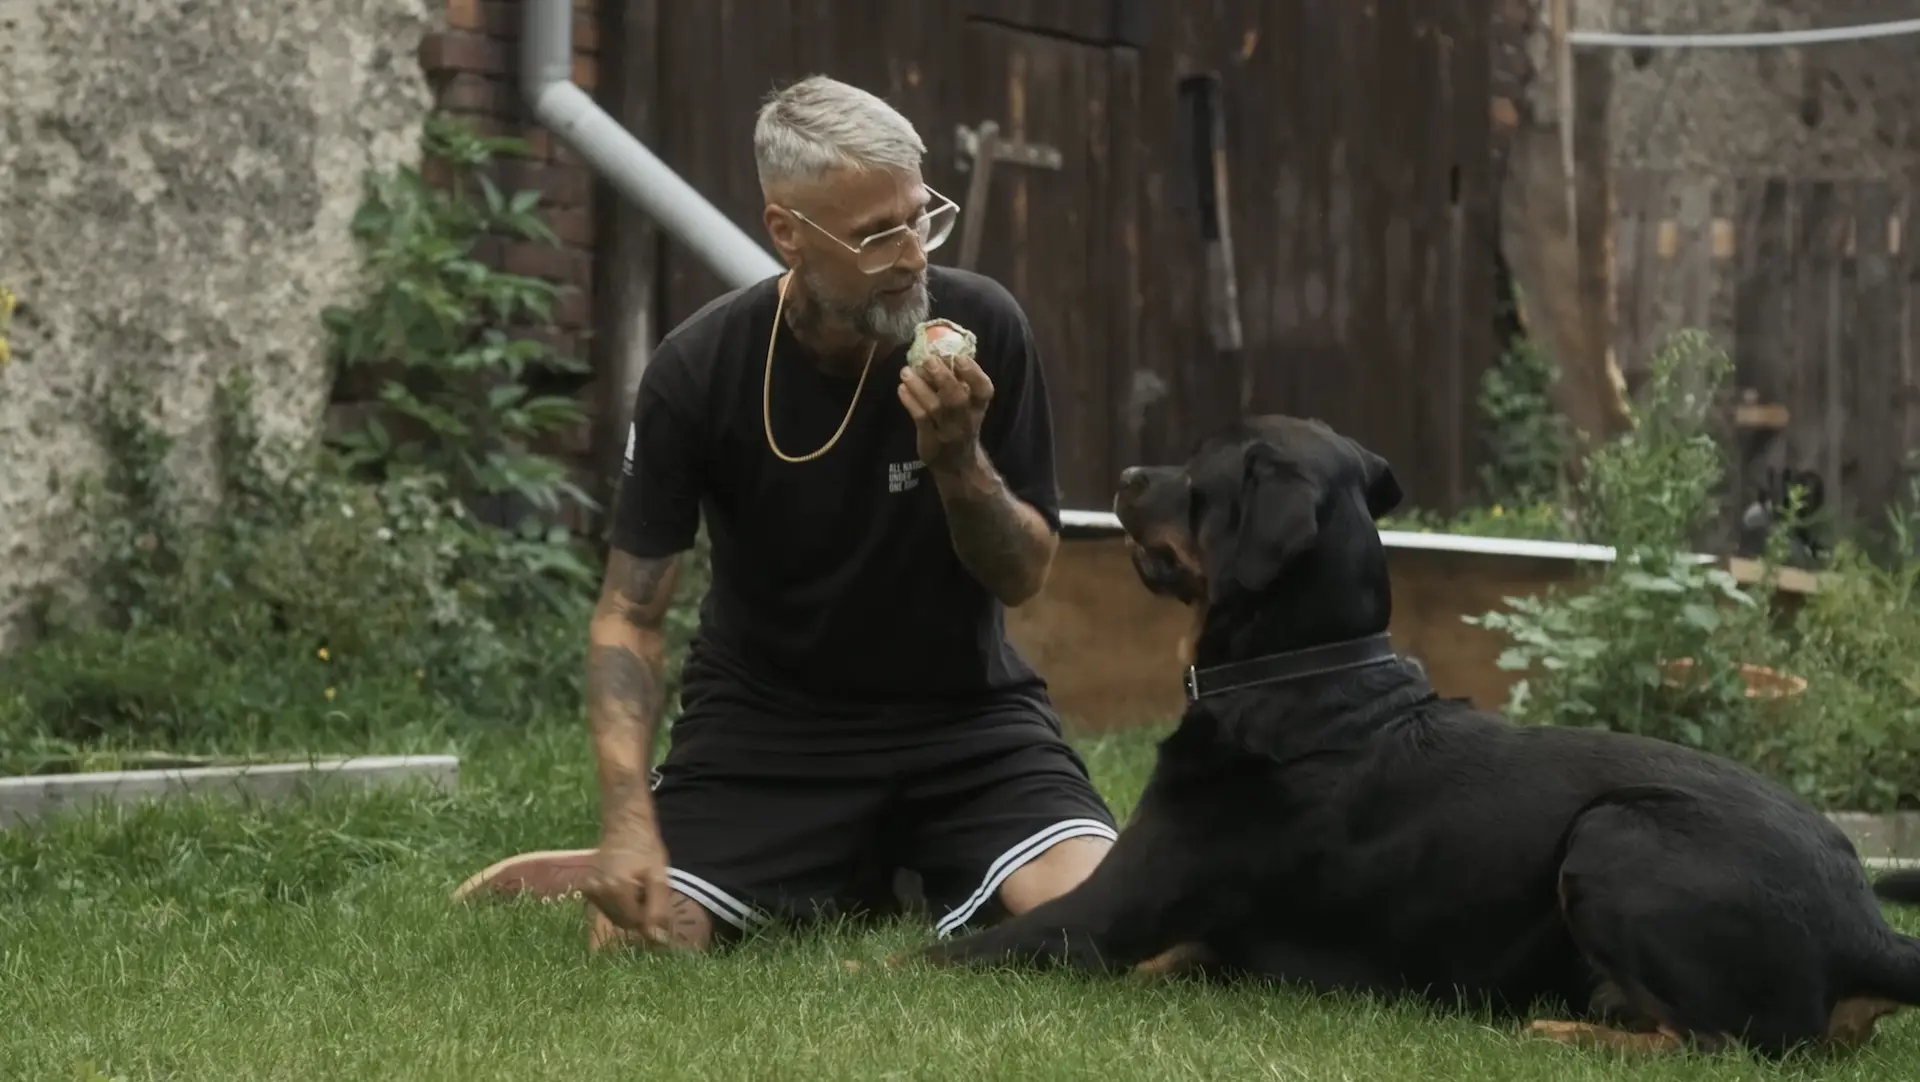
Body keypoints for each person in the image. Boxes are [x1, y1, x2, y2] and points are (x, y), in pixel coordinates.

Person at [453, 74, 1118, 951]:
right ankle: (810, 860)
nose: (914, 255)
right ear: (786, 234)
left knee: (1115, 926)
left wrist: (959, 462)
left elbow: (1025, 575)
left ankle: (884, 863)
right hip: (769, 734)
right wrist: (627, 817)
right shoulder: (699, 370)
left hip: (966, 721)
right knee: (642, 942)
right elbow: (628, 614)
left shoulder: (984, 323)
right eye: (877, 235)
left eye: (921, 217)